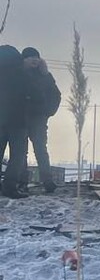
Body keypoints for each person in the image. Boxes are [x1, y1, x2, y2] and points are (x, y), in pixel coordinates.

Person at [19, 47, 61, 193]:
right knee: (20, 152)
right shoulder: (18, 74)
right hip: (21, 118)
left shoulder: (45, 76)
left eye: (36, 57)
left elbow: (56, 95)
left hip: (39, 119)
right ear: (24, 59)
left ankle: (47, 181)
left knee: (41, 150)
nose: (34, 60)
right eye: (31, 57)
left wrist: (49, 112)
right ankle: (21, 182)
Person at [0, 44, 31, 199]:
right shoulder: (22, 74)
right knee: (17, 155)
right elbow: (33, 95)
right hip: (18, 121)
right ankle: (10, 187)